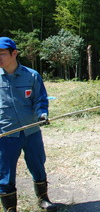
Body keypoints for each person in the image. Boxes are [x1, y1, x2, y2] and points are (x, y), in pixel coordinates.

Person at [0, 37, 57, 211]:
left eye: (2, 53)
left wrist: (42, 114)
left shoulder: (32, 76)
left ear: (14, 53)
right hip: (6, 134)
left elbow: (40, 99)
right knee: (5, 173)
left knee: (38, 164)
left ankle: (43, 198)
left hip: (31, 131)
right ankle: (10, 208)